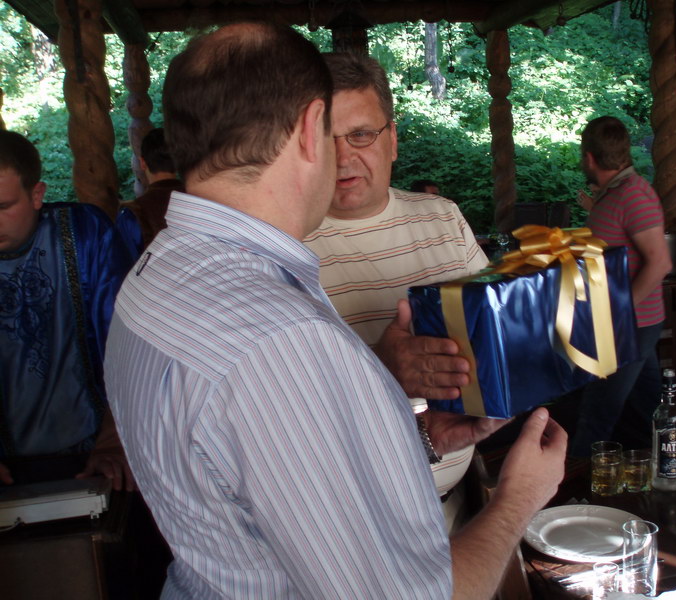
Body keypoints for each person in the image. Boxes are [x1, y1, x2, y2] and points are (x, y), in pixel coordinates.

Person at [104, 23, 567, 599]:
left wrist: (416, 439)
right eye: (332, 133)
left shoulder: (156, 275)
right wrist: (520, 498)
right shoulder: (283, 338)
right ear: (309, 129)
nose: (344, 154)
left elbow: (249, 480)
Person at [304, 53, 490, 524]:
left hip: (456, 509)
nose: (343, 156)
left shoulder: (443, 217)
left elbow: (494, 331)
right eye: (326, 138)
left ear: (392, 140)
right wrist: (380, 371)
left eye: (360, 135)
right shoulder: (282, 245)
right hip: (349, 523)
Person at [0, 130, 135, 490]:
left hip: (96, 448)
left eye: (2, 207)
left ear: (37, 195)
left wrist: (114, 438)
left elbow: (125, 339)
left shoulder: (84, 233)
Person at [570, 116, 672, 456]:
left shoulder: (633, 195)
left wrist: (618, 312)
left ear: (589, 158)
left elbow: (660, 262)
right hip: (628, 322)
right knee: (650, 409)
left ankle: (574, 484)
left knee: (596, 414)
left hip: (629, 324)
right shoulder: (614, 193)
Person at [117, 127, 184, 255]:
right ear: (179, 161)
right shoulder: (200, 199)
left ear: (142, 163)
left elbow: (126, 262)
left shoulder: (133, 214)